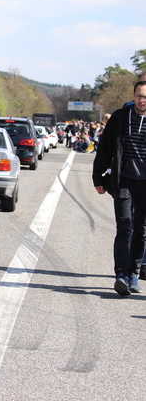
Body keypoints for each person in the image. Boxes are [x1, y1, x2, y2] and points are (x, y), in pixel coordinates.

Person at [93, 80, 146, 296]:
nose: (142, 100)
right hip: (124, 181)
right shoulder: (120, 118)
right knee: (125, 227)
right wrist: (98, 178)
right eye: (139, 96)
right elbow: (105, 149)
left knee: (141, 231)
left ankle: (134, 273)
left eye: (145, 96)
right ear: (133, 96)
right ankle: (121, 275)